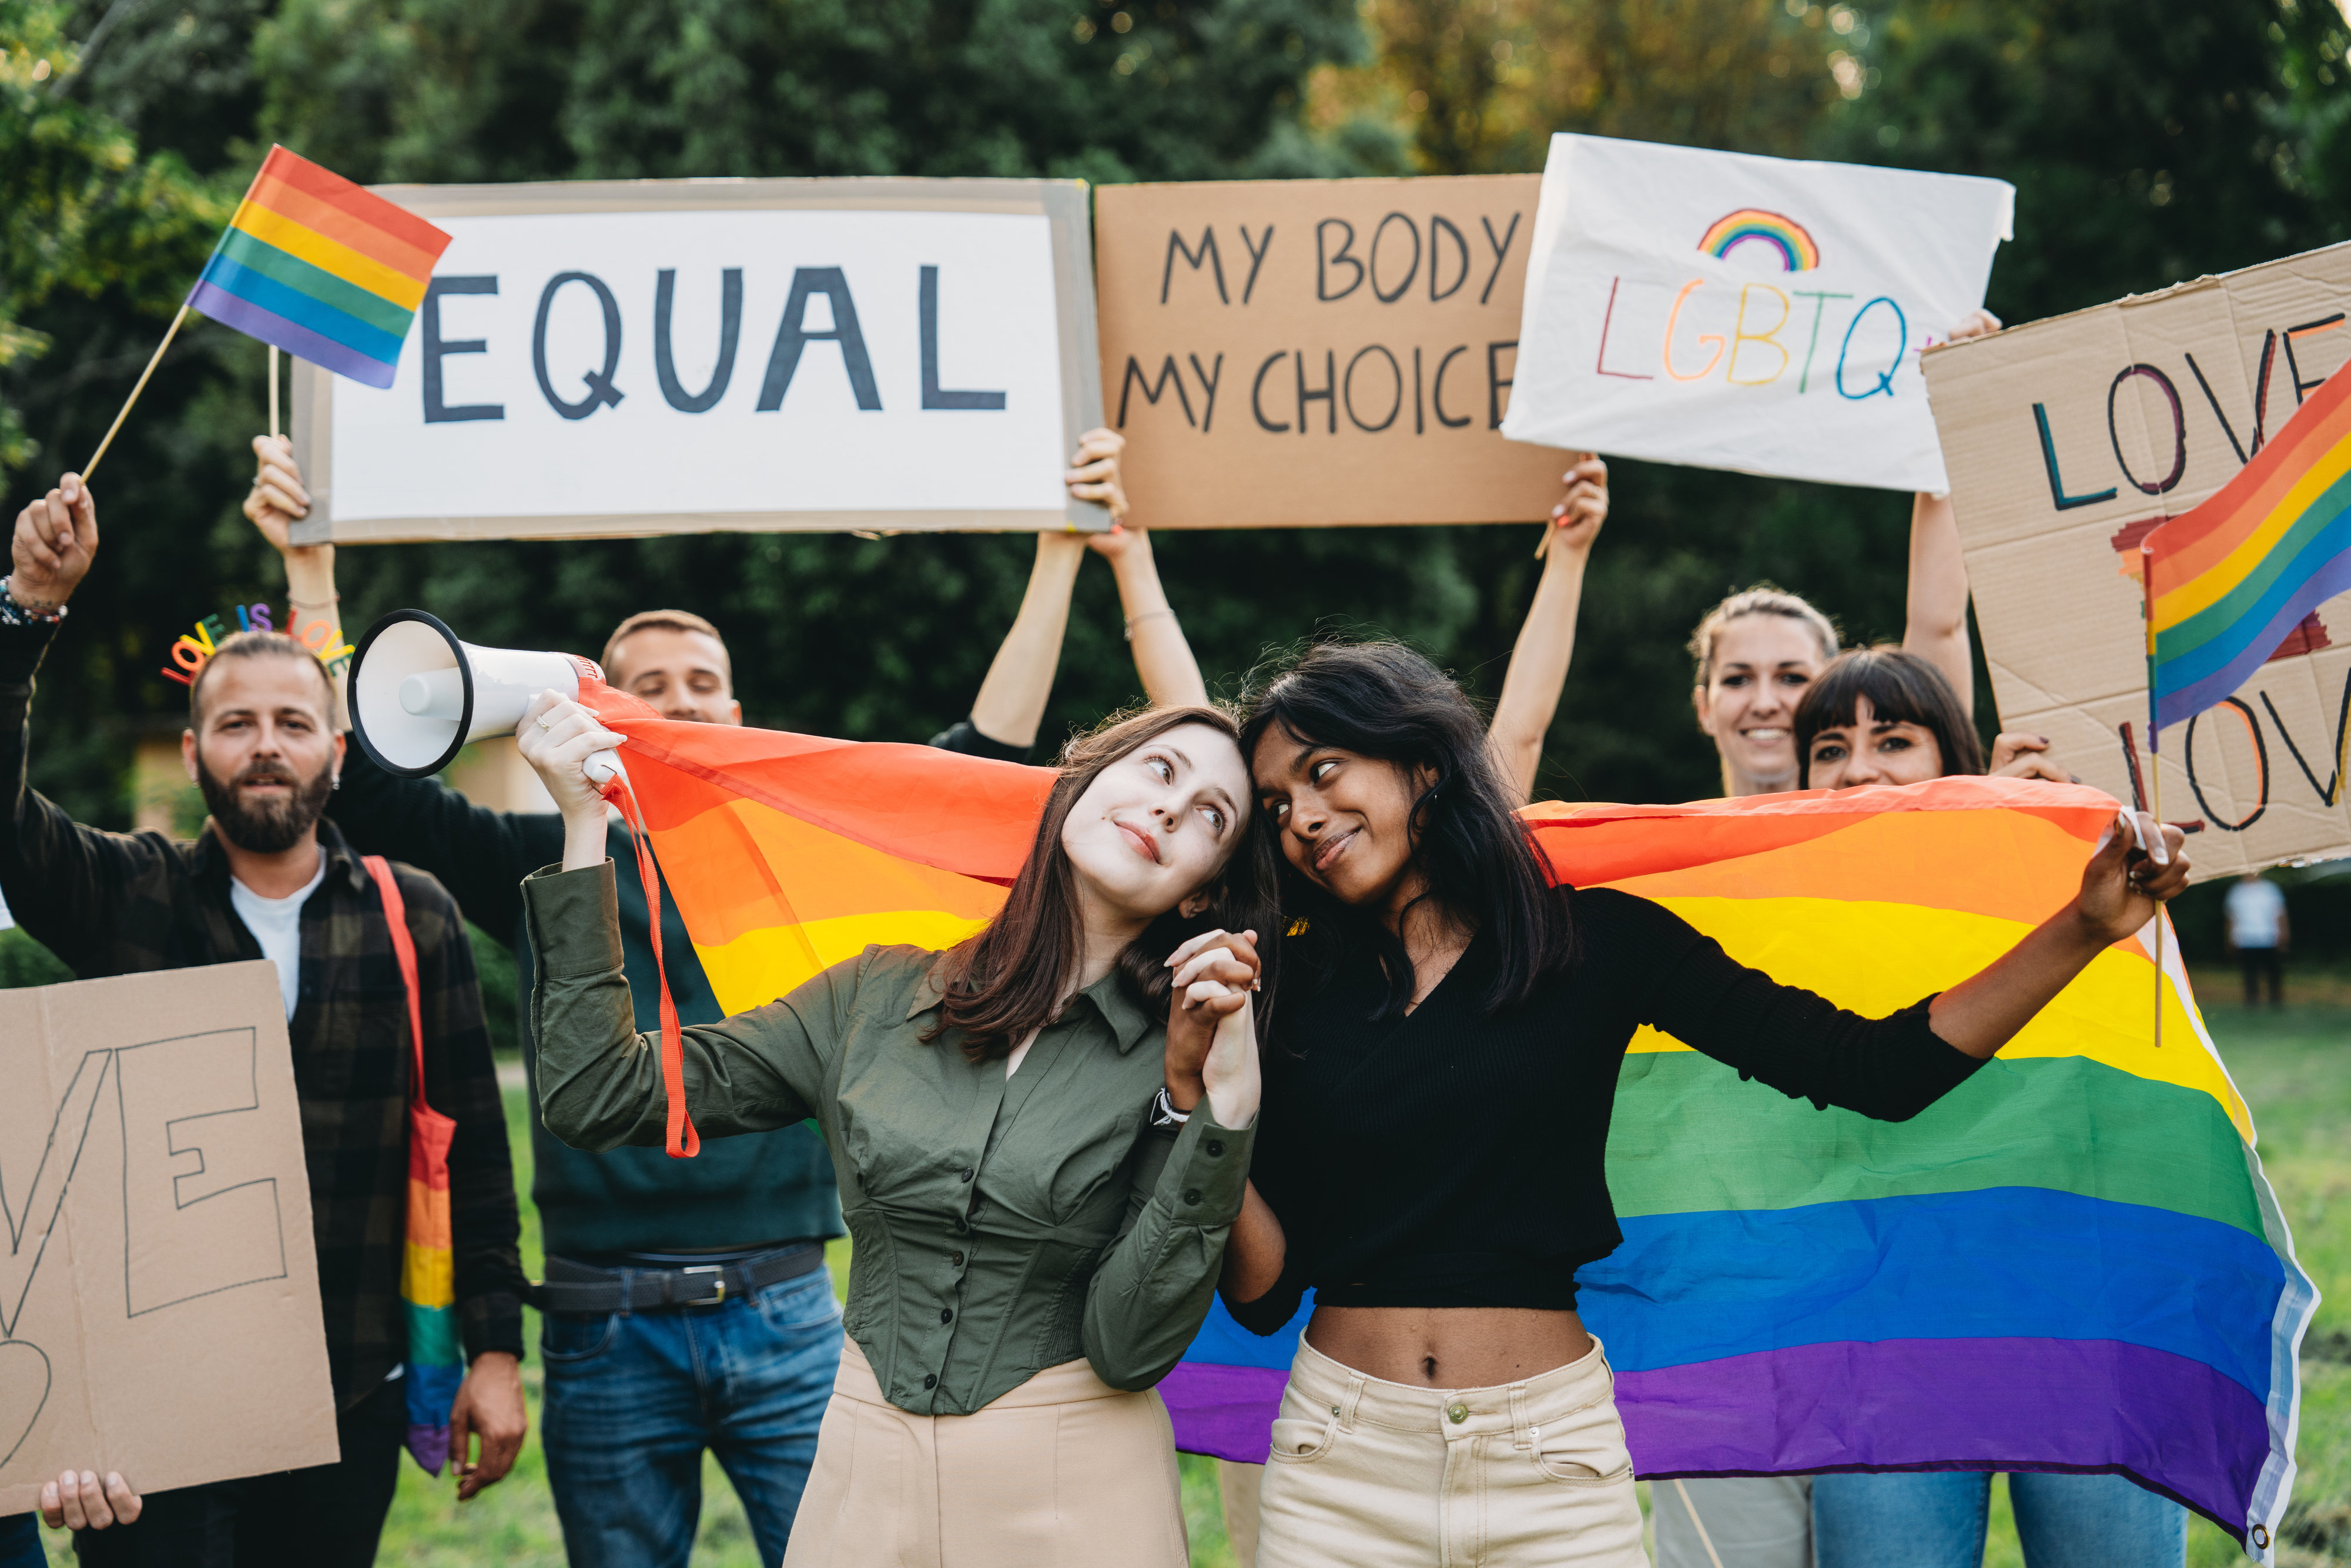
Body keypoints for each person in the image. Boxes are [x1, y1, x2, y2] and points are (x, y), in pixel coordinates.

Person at [235, 426, 1202, 1566]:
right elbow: (369, 785)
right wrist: (311, 578)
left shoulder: (800, 848)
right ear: (596, 709)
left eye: (703, 685)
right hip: (602, 1321)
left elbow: (977, 750)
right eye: (646, 688)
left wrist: (1054, 554)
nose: (678, 704)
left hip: (787, 1305)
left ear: (740, 714)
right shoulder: (545, 849)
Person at [1204, 639, 2186, 1568]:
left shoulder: (1597, 941)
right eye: (1277, 803)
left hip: (1552, 1460)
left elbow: (1876, 1070)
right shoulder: (1286, 988)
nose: (1302, 817)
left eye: (1324, 771)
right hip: (1340, 1461)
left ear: (1421, 763)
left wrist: (2085, 926)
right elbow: (1262, 1296)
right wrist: (1213, 1101)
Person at [516, 693, 1279, 1567]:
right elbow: (599, 1095)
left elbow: (1130, 1344)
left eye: (1210, 816)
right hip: (860, 1478)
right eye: (1159, 768)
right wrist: (582, 830)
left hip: (1081, 1498)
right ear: (1080, 784)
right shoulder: (871, 997)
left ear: (1204, 892)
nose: (1170, 807)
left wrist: (1212, 1107)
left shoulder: (1184, 1053)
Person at [1, 474, 528, 1564]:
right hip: (150, 1410)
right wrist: (26, 611)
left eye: (294, 721)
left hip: (347, 1392)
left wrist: (495, 1352)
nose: (266, 744)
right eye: (234, 724)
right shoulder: (126, 894)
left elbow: (470, 1147)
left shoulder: (412, 912)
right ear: (194, 757)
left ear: (337, 750)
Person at [1792, 646, 2192, 1568]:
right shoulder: (1774, 927)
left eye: (1894, 740)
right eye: (1828, 748)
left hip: (2087, 1315)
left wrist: (2043, 849)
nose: (1858, 768)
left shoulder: (2072, 891)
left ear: (1956, 764)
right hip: (1882, 1336)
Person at [2225, 872, 2289, 1009]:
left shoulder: (2270, 890)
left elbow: (2280, 913)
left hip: (2268, 936)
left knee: (2273, 972)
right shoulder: (2237, 891)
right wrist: (2231, 937)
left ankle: (2275, 1000)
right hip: (2245, 937)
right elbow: (2231, 917)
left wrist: (2283, 933)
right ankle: (2252, 1001)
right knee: (2250, 973)